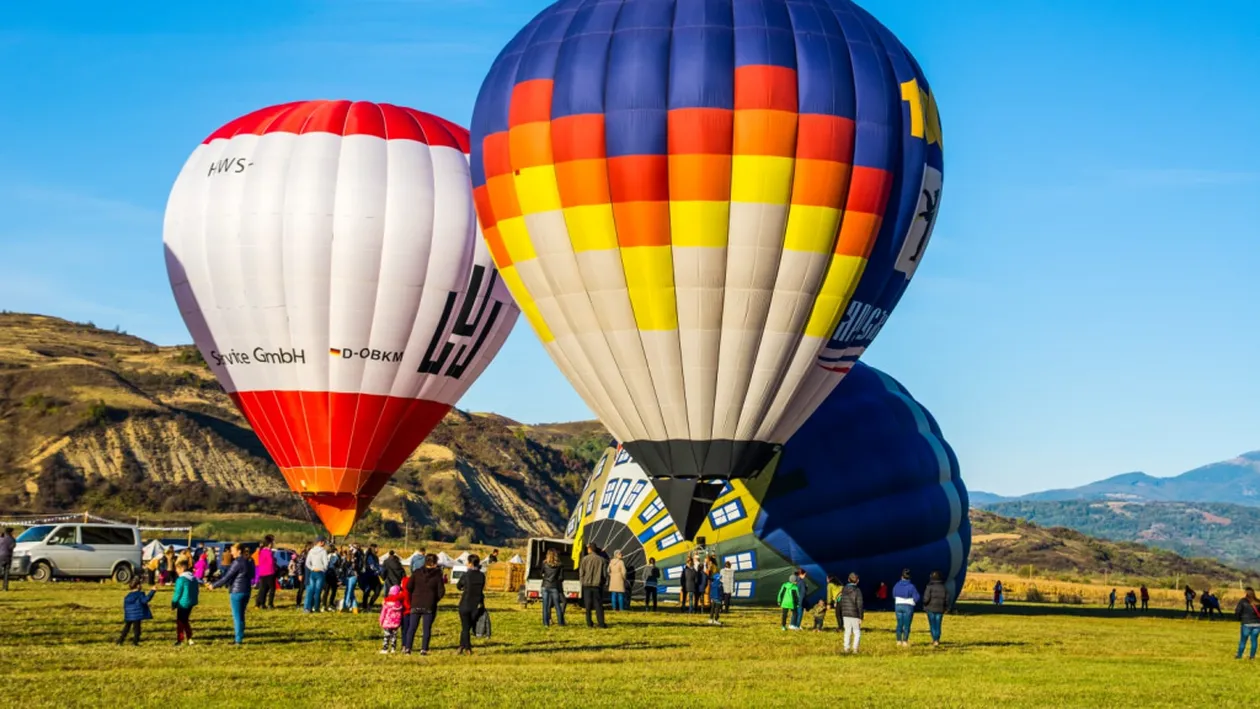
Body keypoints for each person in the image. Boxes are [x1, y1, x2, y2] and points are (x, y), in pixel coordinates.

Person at [210, 542, 255, 645]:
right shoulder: (249, 561)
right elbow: (252, 575)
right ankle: (240, 636)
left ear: (239, 551)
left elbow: (227, 577)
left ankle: (238, 640)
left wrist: (214, 585)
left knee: (237, 616)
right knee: (241, 615)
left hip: (236, 591)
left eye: (232, 550)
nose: (231, 552)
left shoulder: (237, 562)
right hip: (246, 590)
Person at [402, 553, 445, 655]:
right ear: (434, 563)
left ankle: (408, 648)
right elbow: (441, 592)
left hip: (416, 602)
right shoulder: (438, 575)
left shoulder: (417, 573)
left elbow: (408, 587)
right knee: (426, 628)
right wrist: (435, 599)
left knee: (412, 627)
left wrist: (414, 595)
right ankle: (424, 649)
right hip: (429, 604)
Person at [457, 553, 486, 655]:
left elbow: (458, 586)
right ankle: (461, 646)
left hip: (465, 603)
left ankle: (467, 648)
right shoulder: (482, 576)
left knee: (465, 628)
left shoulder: (466, 575)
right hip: (477, 604)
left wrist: (464, 588)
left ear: (469, 563)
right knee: (467, 627)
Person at [578, 543, 608, 628]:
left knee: (587, 605)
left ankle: (589, 623)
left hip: (586, 585)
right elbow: (604, 574)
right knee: (598, 605)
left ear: (589, 549)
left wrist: (582, 582)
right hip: (597, 585)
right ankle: (601, 623)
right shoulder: (602, 560)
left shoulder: (584, 559)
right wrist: (603, 583)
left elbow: (581, 572)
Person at [170, 560, 200, 646]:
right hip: (191, 603)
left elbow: (177, 593)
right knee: (185, 620)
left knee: (180, 622)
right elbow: (197, 591)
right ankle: (189, 638)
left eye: (177, 568)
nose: (176, 570)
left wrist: (173, 603)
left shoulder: (181, 579)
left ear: (182, 568)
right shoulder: (193, 578)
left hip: (183, 603)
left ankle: (180, 639)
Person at [118, 578, 156, 646]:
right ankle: (135, 642)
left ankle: (120, 640)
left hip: (129, 615)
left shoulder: (128, 595)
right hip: (137, 615)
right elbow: (145, 600)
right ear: (138, 586)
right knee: (137, 630)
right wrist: (152, 591)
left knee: (126, 628)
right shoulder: (140, 594)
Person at [892, 569, 921, 647]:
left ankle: (898, 641)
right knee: (907, 625)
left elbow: (893, 594)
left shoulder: (896, 585)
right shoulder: (911, 586)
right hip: (908, 606)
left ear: (901, 577)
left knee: (899, 624)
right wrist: (913, 602)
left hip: (898, 606)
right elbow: (917, 597)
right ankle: (905, 641)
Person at [921, 570, 949, 647]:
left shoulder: (929, 587)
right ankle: (937, 639)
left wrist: (924, 604)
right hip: (940, 609)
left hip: (930, 608)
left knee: (932, 625)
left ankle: (934, 639)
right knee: (938, 625)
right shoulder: (944, 588)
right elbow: (947, 599)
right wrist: (946, 607)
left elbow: (926, 598)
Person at [541, 548, 566, 627]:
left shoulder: (544, 563)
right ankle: (560, 623)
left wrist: (546, 578)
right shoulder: (559, 565)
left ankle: (546, 623)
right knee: (557, 605)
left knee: (545, 606)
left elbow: (541, 573)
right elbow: (561, 577)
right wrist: (555, 580)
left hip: (545, 585)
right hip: (554, 586)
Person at [840, 573, 864, 653]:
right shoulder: (857, 590)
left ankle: (846, 648)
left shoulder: (844, 589)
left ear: (848, 579)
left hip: (845, 614)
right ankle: (855, 649)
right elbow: (860, 604)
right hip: (855, 614)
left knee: (847, 632)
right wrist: (861, 616)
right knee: (857, 632)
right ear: (858, 581)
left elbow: (842, 602)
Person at [304, 539, 329, 613]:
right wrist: (323, 569)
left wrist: (312, 568)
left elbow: (307, 563)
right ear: (321, 542)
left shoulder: (311, 551)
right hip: (319, 573)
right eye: (324, 542)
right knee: (318, 591)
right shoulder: (323, 551)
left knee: (311, 591)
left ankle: (308, 608)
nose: (324, 543)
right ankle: (316, 608)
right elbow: (326, 563)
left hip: (312, 572)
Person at [379, 584, 405, 654]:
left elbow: (383, 612)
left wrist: (381, 620)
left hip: (387, 622)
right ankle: (393, 649)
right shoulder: (399, 603)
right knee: (394, 636)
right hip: (396, 623)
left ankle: (385, 649)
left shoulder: (386, 601)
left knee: (386, 636)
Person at [1236, 587, 1260, 660]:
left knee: (1243, 640)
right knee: (1254, 640)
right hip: (1257, 624)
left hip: (1246, 623)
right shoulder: (1258, 601)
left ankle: (1239, 655)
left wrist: (1239, 619)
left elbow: (1238, 611)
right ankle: (1252, 656)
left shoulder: (1243, 601)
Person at [254, 535, 277, 610]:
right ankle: (270, 604)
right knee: (272, 589)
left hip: (262, 572)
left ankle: (261, 603)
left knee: (263, 589)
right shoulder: (268, 552)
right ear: (270, 544)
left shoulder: (261, 551)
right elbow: (271, 562)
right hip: (270, 572)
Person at [360, 544, 382, 610]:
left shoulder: (375, 556)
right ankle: (364, 606)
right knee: (367, 591)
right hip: (369, 575)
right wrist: (379, 570)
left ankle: (370, 604)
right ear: (374, 548)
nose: (378, 549)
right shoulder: (369, 556)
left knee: (378, 591)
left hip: (375, 576)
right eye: (377, 548)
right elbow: (372, 566)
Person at [340, 546, 360, 614]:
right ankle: (355, 608)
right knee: (350, 593)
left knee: (348, 592)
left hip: (352, 577)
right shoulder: (346, 560)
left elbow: (354, 568)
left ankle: (345, 607)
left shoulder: (353, 561)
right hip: (349, 578)